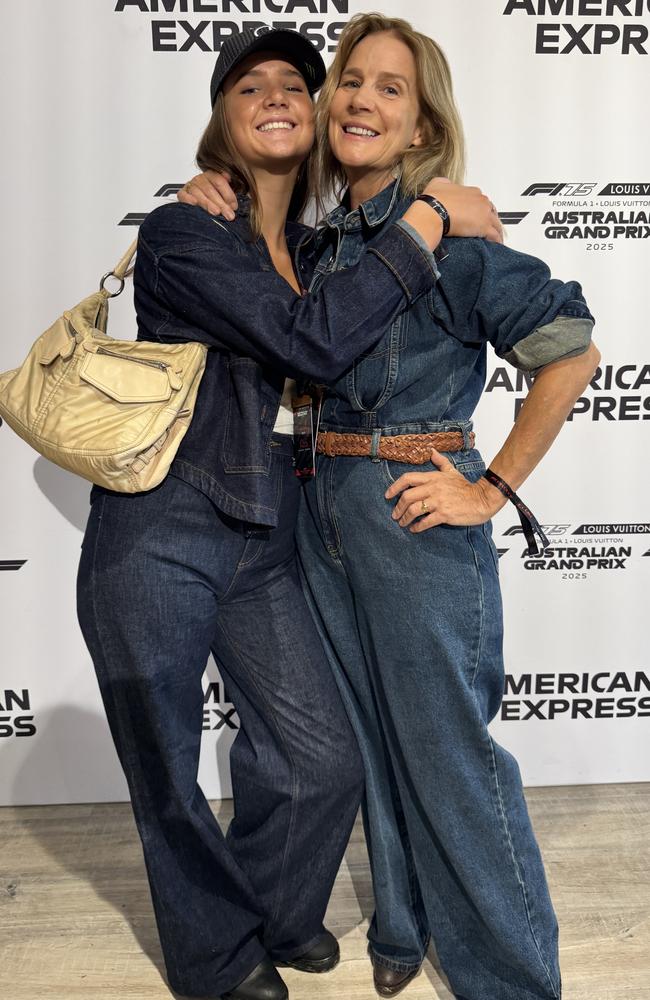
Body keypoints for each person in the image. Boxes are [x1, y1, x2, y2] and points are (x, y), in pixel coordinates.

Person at [180, 13, 600, 1000]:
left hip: (413, 517)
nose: (361, 99)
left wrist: (486, 485)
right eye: (351, 82)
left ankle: (509, 979)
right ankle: (401, 928)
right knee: (366, 743)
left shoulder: (448, 236)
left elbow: (570, 352)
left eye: (390, 89)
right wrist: (217, 192)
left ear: (418, 129)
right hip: (316, 512)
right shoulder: (318, 247)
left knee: (448, 754)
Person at [77, 26, 500, 1000]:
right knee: (166, 772)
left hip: (267, 538)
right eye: (247, 86)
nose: (275, 95)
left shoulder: (317, 249)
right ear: (220, 121)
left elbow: (351, 336)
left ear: (312, 118)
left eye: (294, 86)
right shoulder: (185, 231)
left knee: (321, 755)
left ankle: (266, 912)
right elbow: (307, 344)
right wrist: (427, 224)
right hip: (160, 531)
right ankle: (216, 959)